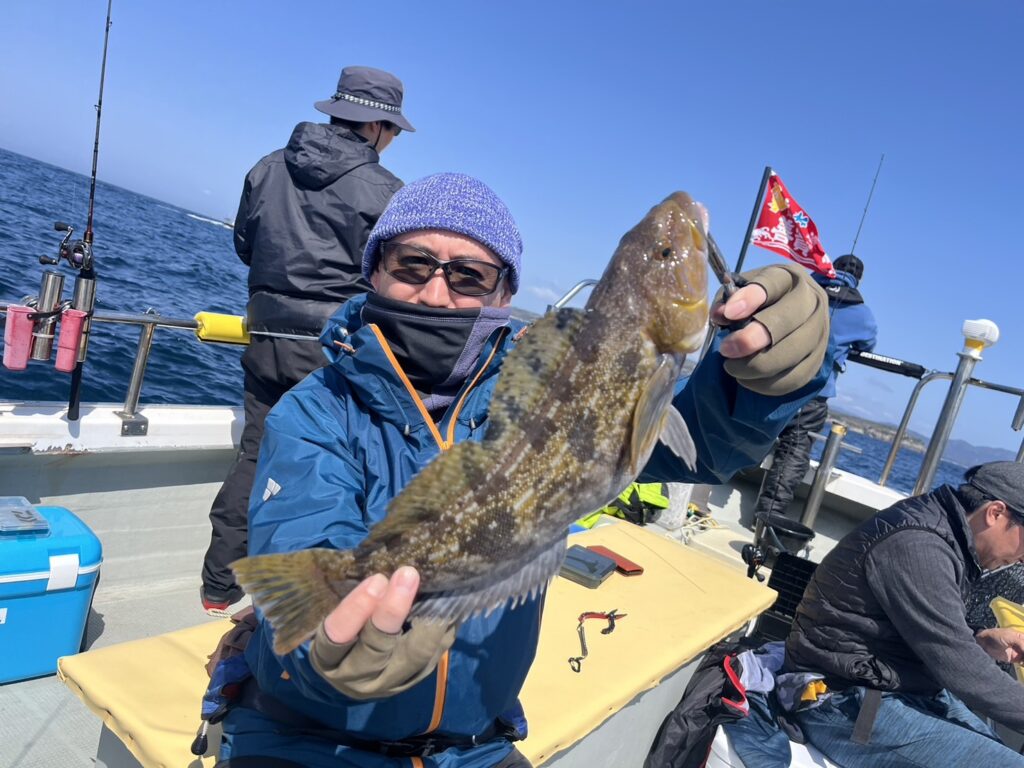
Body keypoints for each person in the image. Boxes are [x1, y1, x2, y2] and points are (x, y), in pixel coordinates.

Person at [215, 172, 834, 767]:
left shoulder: (549, 387)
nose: (437, 293)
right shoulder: (316, 411)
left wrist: (767, 376)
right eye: (411, 265)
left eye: (469, 275)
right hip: (306, 740)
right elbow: (305, 543)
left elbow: (709, 441)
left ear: (504, 294)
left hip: (478, 746)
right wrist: (326, 653)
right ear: (373, 270)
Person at [200, 66, 413, 612]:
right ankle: (302, 602)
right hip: (333, 348)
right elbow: (395, 281)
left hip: (265, 335)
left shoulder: (268, 166)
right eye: (393, 130)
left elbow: (245, 246)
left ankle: (218, 587)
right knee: (332, 466)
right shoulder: (388, 194)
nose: (391, 140)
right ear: (377, 127)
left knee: (256, 451)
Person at [783, 461, 1024, 766]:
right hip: (838, 700)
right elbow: (963, 669)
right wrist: (968, 648)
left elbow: (930, 627)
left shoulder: (946, 534)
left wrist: (981, 638)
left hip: (892, 686)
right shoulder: (919, 545)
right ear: (996, 513)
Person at [752, 253, 877, 521]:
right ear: (859, 279)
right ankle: (767, 517)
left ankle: (704, 490)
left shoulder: (802, 290)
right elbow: (868, 343)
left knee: (746, 428)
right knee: (794, 450)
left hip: (770, 377)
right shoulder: (862, 314)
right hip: (814, 391)